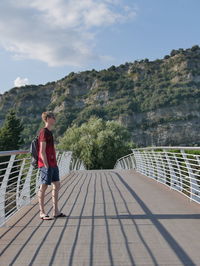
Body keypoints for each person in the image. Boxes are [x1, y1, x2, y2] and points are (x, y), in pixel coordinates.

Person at [37, 111, 66, 220]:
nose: (55, 118)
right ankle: (42, 212)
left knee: (57, 184)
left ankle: (56, 211)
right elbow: (42, 151)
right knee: (43, 187)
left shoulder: (50, 132)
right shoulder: (44, 132)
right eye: (53, 117)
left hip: (53, 164)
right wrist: (46, 166)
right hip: (47, 165)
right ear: (48, 118)